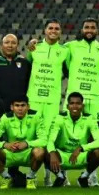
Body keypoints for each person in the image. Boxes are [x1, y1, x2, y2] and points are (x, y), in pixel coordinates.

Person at [25, 19, 71, 186]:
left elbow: (69, 71)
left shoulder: (65, 51)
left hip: (52, 102)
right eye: (50, 28)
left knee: (52, 138)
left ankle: (51, 175)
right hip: (34, 100)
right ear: (44, 30)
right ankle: (31, 174)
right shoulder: (34, 48)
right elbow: (25, 70)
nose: (53, 30)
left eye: (57, 28)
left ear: (60, 32)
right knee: (35, 137)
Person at [0, 95, 47, 190]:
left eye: (23, 105)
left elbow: (44, 140)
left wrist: (26, 143)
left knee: (40, 151)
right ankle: (7, 177)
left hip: (28, 153)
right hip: (10, 153)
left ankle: (30, 177)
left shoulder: (36, 116)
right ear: (12, 107)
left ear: (28, 106)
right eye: (17, 105)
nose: (20, 108)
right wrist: (5, 145)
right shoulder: (6, 118)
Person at [45, 92, 99, 188]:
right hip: (62, 155)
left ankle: (84, 177)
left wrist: (81, 148)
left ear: (82, 106)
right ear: (67, 106)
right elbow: (50, 141)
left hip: (81, 156)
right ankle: (60, 177)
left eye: (78, 103)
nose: (75, 106)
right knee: (46, 151)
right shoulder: (59, 118)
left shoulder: (89, 119)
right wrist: (52, 153)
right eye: (72, 103)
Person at [64, 18, 99, 123]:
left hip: (95, 97)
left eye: (92, 28)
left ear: (97, 31)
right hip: (73, 96)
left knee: (94, 134)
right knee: (68, 132)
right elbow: (65, 66)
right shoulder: (70, 46)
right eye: (86, 27)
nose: (89, 30)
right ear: (82, 30)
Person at [0, 34, 31, 107]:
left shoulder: (25, 63)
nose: (10, 45)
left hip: (19, 109)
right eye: (7, 42)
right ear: (1, 45)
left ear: (17, 45)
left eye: (13, 43)